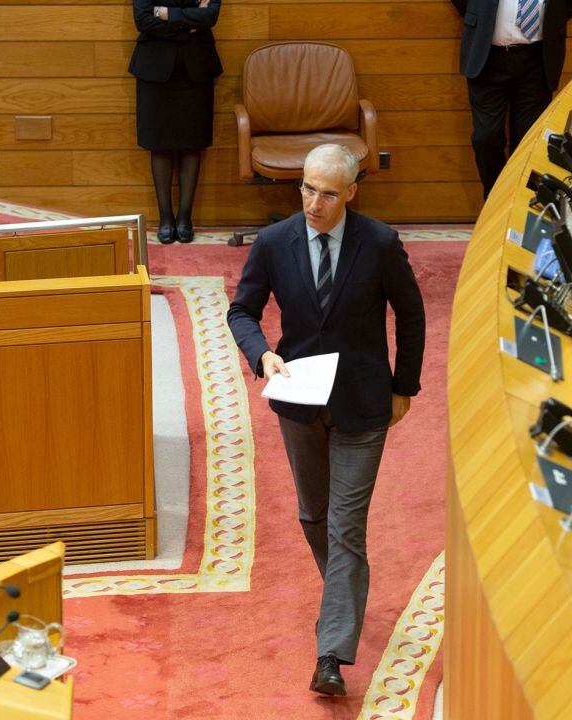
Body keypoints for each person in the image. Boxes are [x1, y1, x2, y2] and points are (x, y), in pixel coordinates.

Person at [227, 144, 425, 696]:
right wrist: (261, 354)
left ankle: (331, 654)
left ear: (352, 192)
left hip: (363, 404)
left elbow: (410, 314)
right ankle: (348, 587)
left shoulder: (380, 243)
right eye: (307, 189)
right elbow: (241, 309)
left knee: (345, 526)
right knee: (314, 516)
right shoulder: (273, 242)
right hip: (298, 402)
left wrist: (403, 387)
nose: (314, 203)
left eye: (328, 193)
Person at [451, 0, 572, 197]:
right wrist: (479, 14)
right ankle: (495, 204)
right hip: (488, 56)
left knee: (527, 141)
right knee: (486, 137)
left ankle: (518, 208)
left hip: (537, 58)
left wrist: (552, 17)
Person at [128, 0, 222, 244]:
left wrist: (166, 13)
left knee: (192, 143)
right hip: (155, 68)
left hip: (196, 67)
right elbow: (143, 20)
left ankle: (184, 218)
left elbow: (210, 16)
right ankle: (166, 218)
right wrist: (187, 24)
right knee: (159, 143)